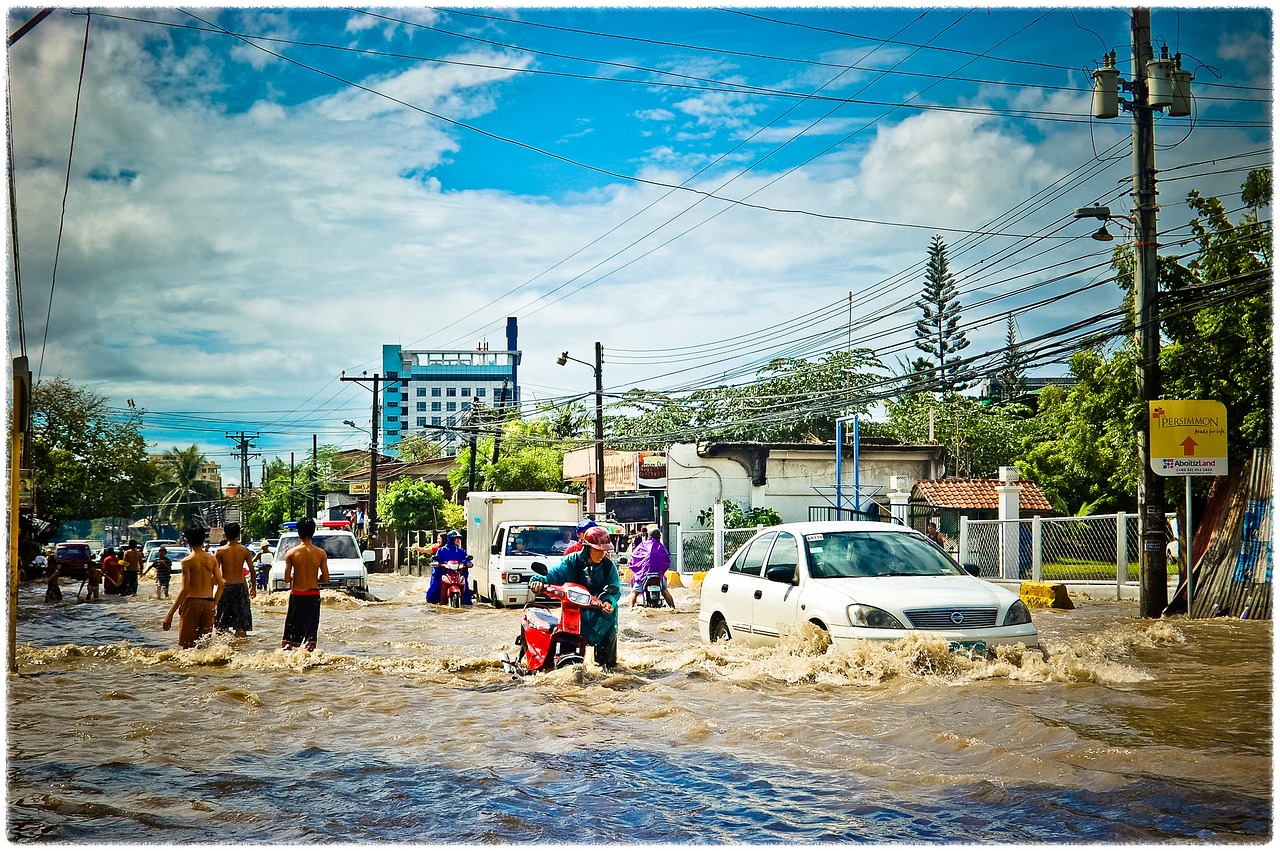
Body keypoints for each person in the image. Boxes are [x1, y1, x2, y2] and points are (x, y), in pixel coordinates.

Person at [529, 526, 620, 669]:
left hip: (602, 613)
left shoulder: (609, 567)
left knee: (609, 666)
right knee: (568, 650)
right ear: (587, 548)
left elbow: (615, 588)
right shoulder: (571, 561)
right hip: (576, 610)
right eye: (598, 550)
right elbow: (553, 576)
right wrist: (539, 581)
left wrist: (609, 602)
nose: (601, 554)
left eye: (604, 550)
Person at [162, 526, 224, 649]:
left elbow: (185, 590)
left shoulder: (187, 561)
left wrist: (170, 614)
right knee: (204, 646)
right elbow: (221, 584)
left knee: (187, 646)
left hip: (192, 603)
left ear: (187, 540)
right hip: (208, 603)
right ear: (203, 539)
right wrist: (214, 604)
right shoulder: (211, 559)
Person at [281, 518, 329, 651]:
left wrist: (295, 576)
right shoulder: (320, 553)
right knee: (310, 635)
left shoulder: (291, 553)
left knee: (291, 635)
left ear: (298, 532)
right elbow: (326, 578)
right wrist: (315, 577)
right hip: (313, 595)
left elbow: (286, 579)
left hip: (297, 595)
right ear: (313, 532)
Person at [213, 522, 257, 637]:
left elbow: (214, 574)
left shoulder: (220, 551)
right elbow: (252, 571)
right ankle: (241, 646)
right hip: (240, 588)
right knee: (241, 625)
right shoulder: (244, 551)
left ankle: (220, 647)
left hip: (225, 588)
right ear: (238, 535)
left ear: (225, 534)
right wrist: (253, 588)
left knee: (221, 625)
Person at [627, 524, 676, 609]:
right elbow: (667, 561)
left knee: (634, 592)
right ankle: (673, 608)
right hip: (658, 575)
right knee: (665, 592)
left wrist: (631, 564)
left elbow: (634, 557)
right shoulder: (661, 547)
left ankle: (631, 608)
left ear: (649, 536)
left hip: (643, 575)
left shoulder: (643, 545)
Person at [427, 531, 472, 604]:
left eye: (459, 538)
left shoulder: (461, 551)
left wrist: (468, 563)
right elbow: (437, 559)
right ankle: (434, 599)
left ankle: (466, 601)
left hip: (458, 573)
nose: (458, 540)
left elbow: (466, 559)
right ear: (451, 539)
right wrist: (437, 563)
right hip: (445, 572)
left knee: (465, 585)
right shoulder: (442, 550)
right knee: (436, 585)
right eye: (456, 538)